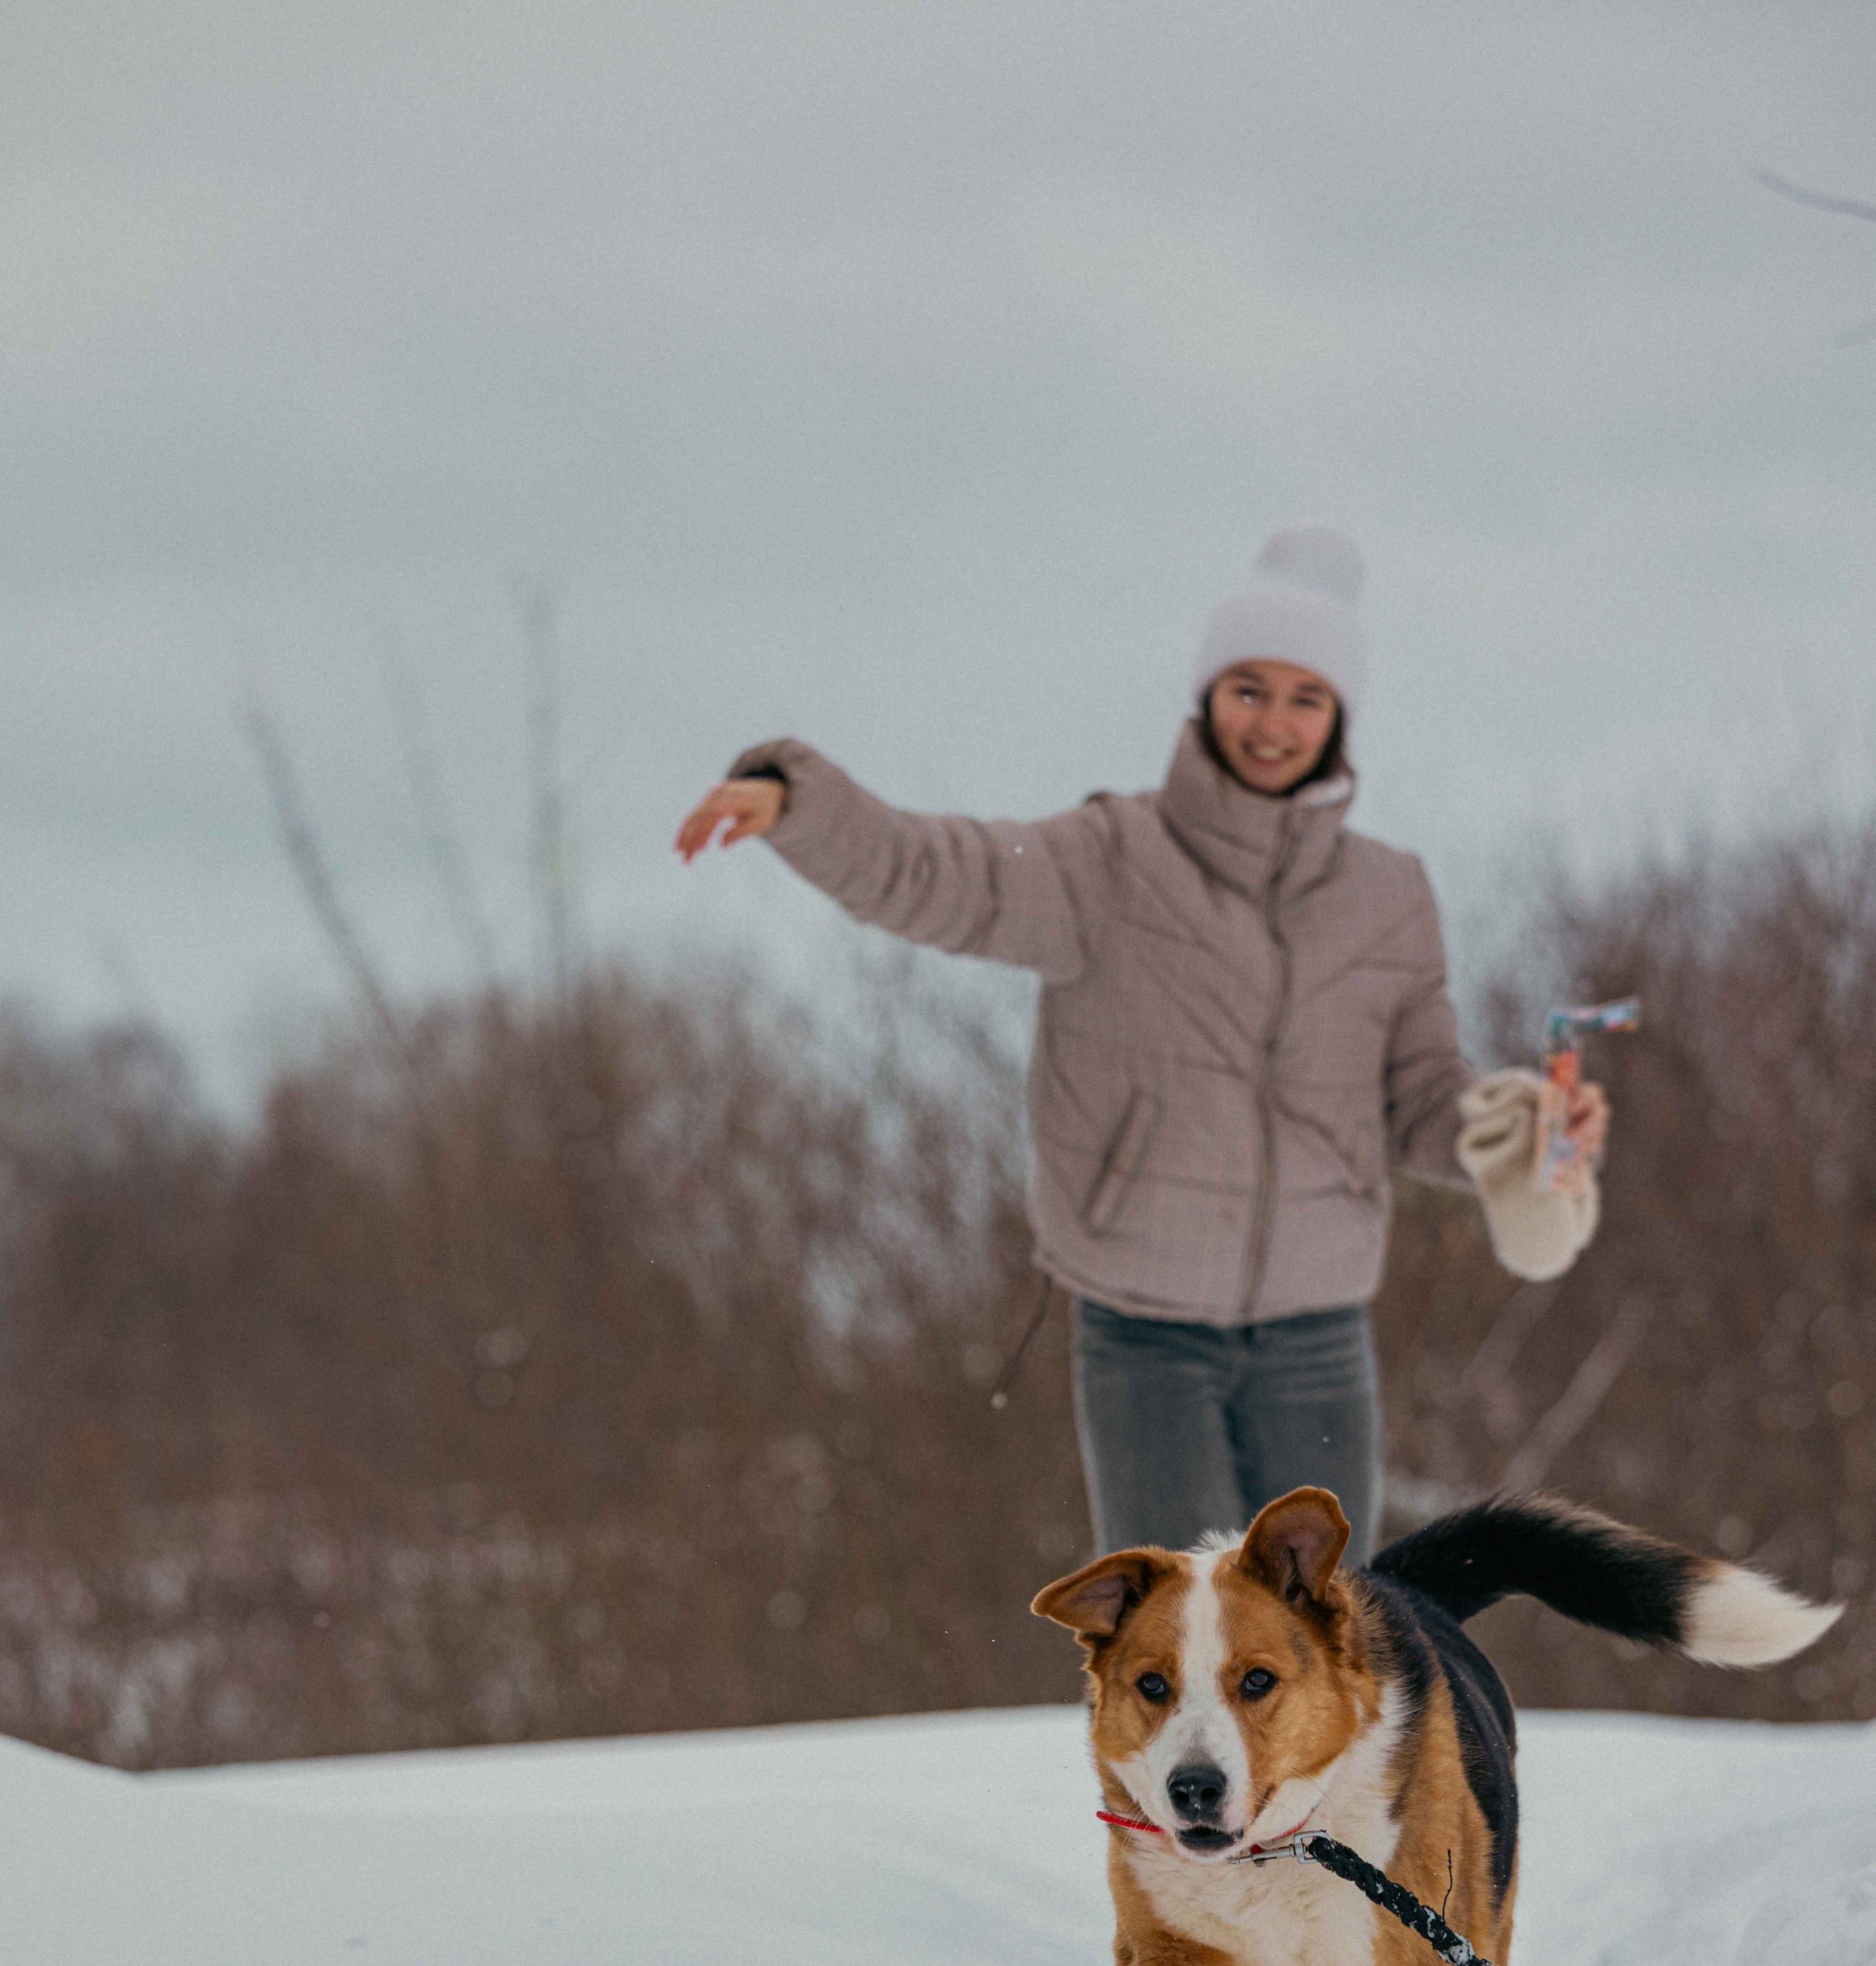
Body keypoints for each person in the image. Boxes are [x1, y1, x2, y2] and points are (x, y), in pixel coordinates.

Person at [676, 526, 1607, 1559]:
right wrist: (795, 799)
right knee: (1175, 1639)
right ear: (1205, 697)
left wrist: (1516, 1126)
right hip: (1143, 1331)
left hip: (1318, 1329)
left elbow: (1421, 1101)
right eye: (1247, 687)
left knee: (1322, 1637)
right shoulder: (1109, 856)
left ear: (1339, 720)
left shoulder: (1390, 893)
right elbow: (937, 872)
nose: (1272, 722)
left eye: (1306, 698)